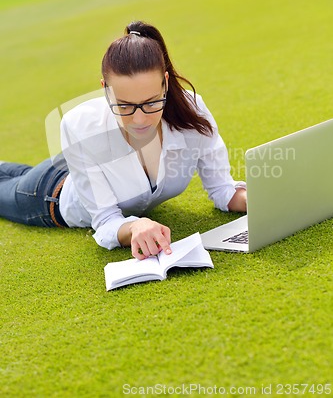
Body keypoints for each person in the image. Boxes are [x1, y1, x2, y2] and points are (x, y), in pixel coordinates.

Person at [0, 21, 246, 260]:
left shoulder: (192, 111)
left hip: (79, 169)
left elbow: (223, 189)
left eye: (151, 102)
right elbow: (106, 221)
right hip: (50, 194)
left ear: (166, 83)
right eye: (125, 106)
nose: (139, 120)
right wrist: (134, 227)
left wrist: (256, 200)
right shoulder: (79, 125)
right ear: (105, 89)